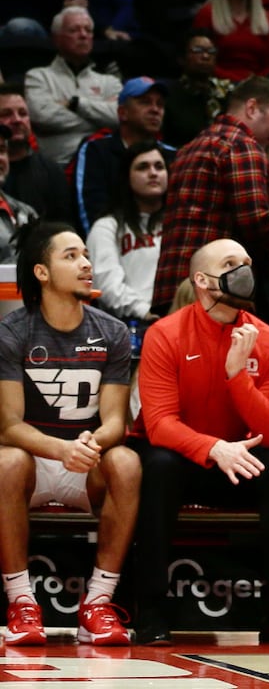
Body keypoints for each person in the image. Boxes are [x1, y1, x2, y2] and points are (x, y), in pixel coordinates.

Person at [131, 238, 269, 646]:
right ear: (203, 280)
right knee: (157, 465)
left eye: (247, 261)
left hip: (244, 459)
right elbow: (158, 424)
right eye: (231, 263)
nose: (245, 269)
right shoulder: (165, 334)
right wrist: (212, 448)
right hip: (185, 459)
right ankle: (151, 611)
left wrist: (236, 378)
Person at [0, 223, 138, 646]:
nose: (86, 264)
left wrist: (92, 444)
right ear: (42, 273)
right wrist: (62, 449)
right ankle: (22, 603)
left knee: (127, 461)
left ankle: (97, 604)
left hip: (86, 461)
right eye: (71, 256)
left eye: (86, 255)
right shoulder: (13, 332)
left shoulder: (112, 332)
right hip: (35, 461)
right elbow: (8, 425)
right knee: (6, 460)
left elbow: (116, 421)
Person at [153, 77, 269, 315]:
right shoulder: (242, 145)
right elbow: (255, 223)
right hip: (218, 290)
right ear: (252, 108)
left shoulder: (187, 149)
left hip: (172, 286)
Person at [71, 77, 170, 237]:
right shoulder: (96, 150)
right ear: (122, 113)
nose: (155, 109)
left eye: (160, 104)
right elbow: (89, 208)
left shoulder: (172, 155)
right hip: (111, 242)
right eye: (145, 102)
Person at [24, 8, 123, 167]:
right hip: (57, 166)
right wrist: (101, 115)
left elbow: (119, 117)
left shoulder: (109, 82)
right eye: (74, 30)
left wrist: (75, 104)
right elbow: (42, 117)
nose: (83, 35)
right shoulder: (38, 77)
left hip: (103, 165)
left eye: (88, 30)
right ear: (57, 38)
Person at [86, 142, 167, 323]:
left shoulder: (179, 224)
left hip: (179, 318)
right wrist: (145, 312)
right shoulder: (106, 227)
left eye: (159, 166)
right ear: (127, 177)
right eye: (143, 167)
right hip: (131, 324)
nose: (153, 172)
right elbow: (106, 285)